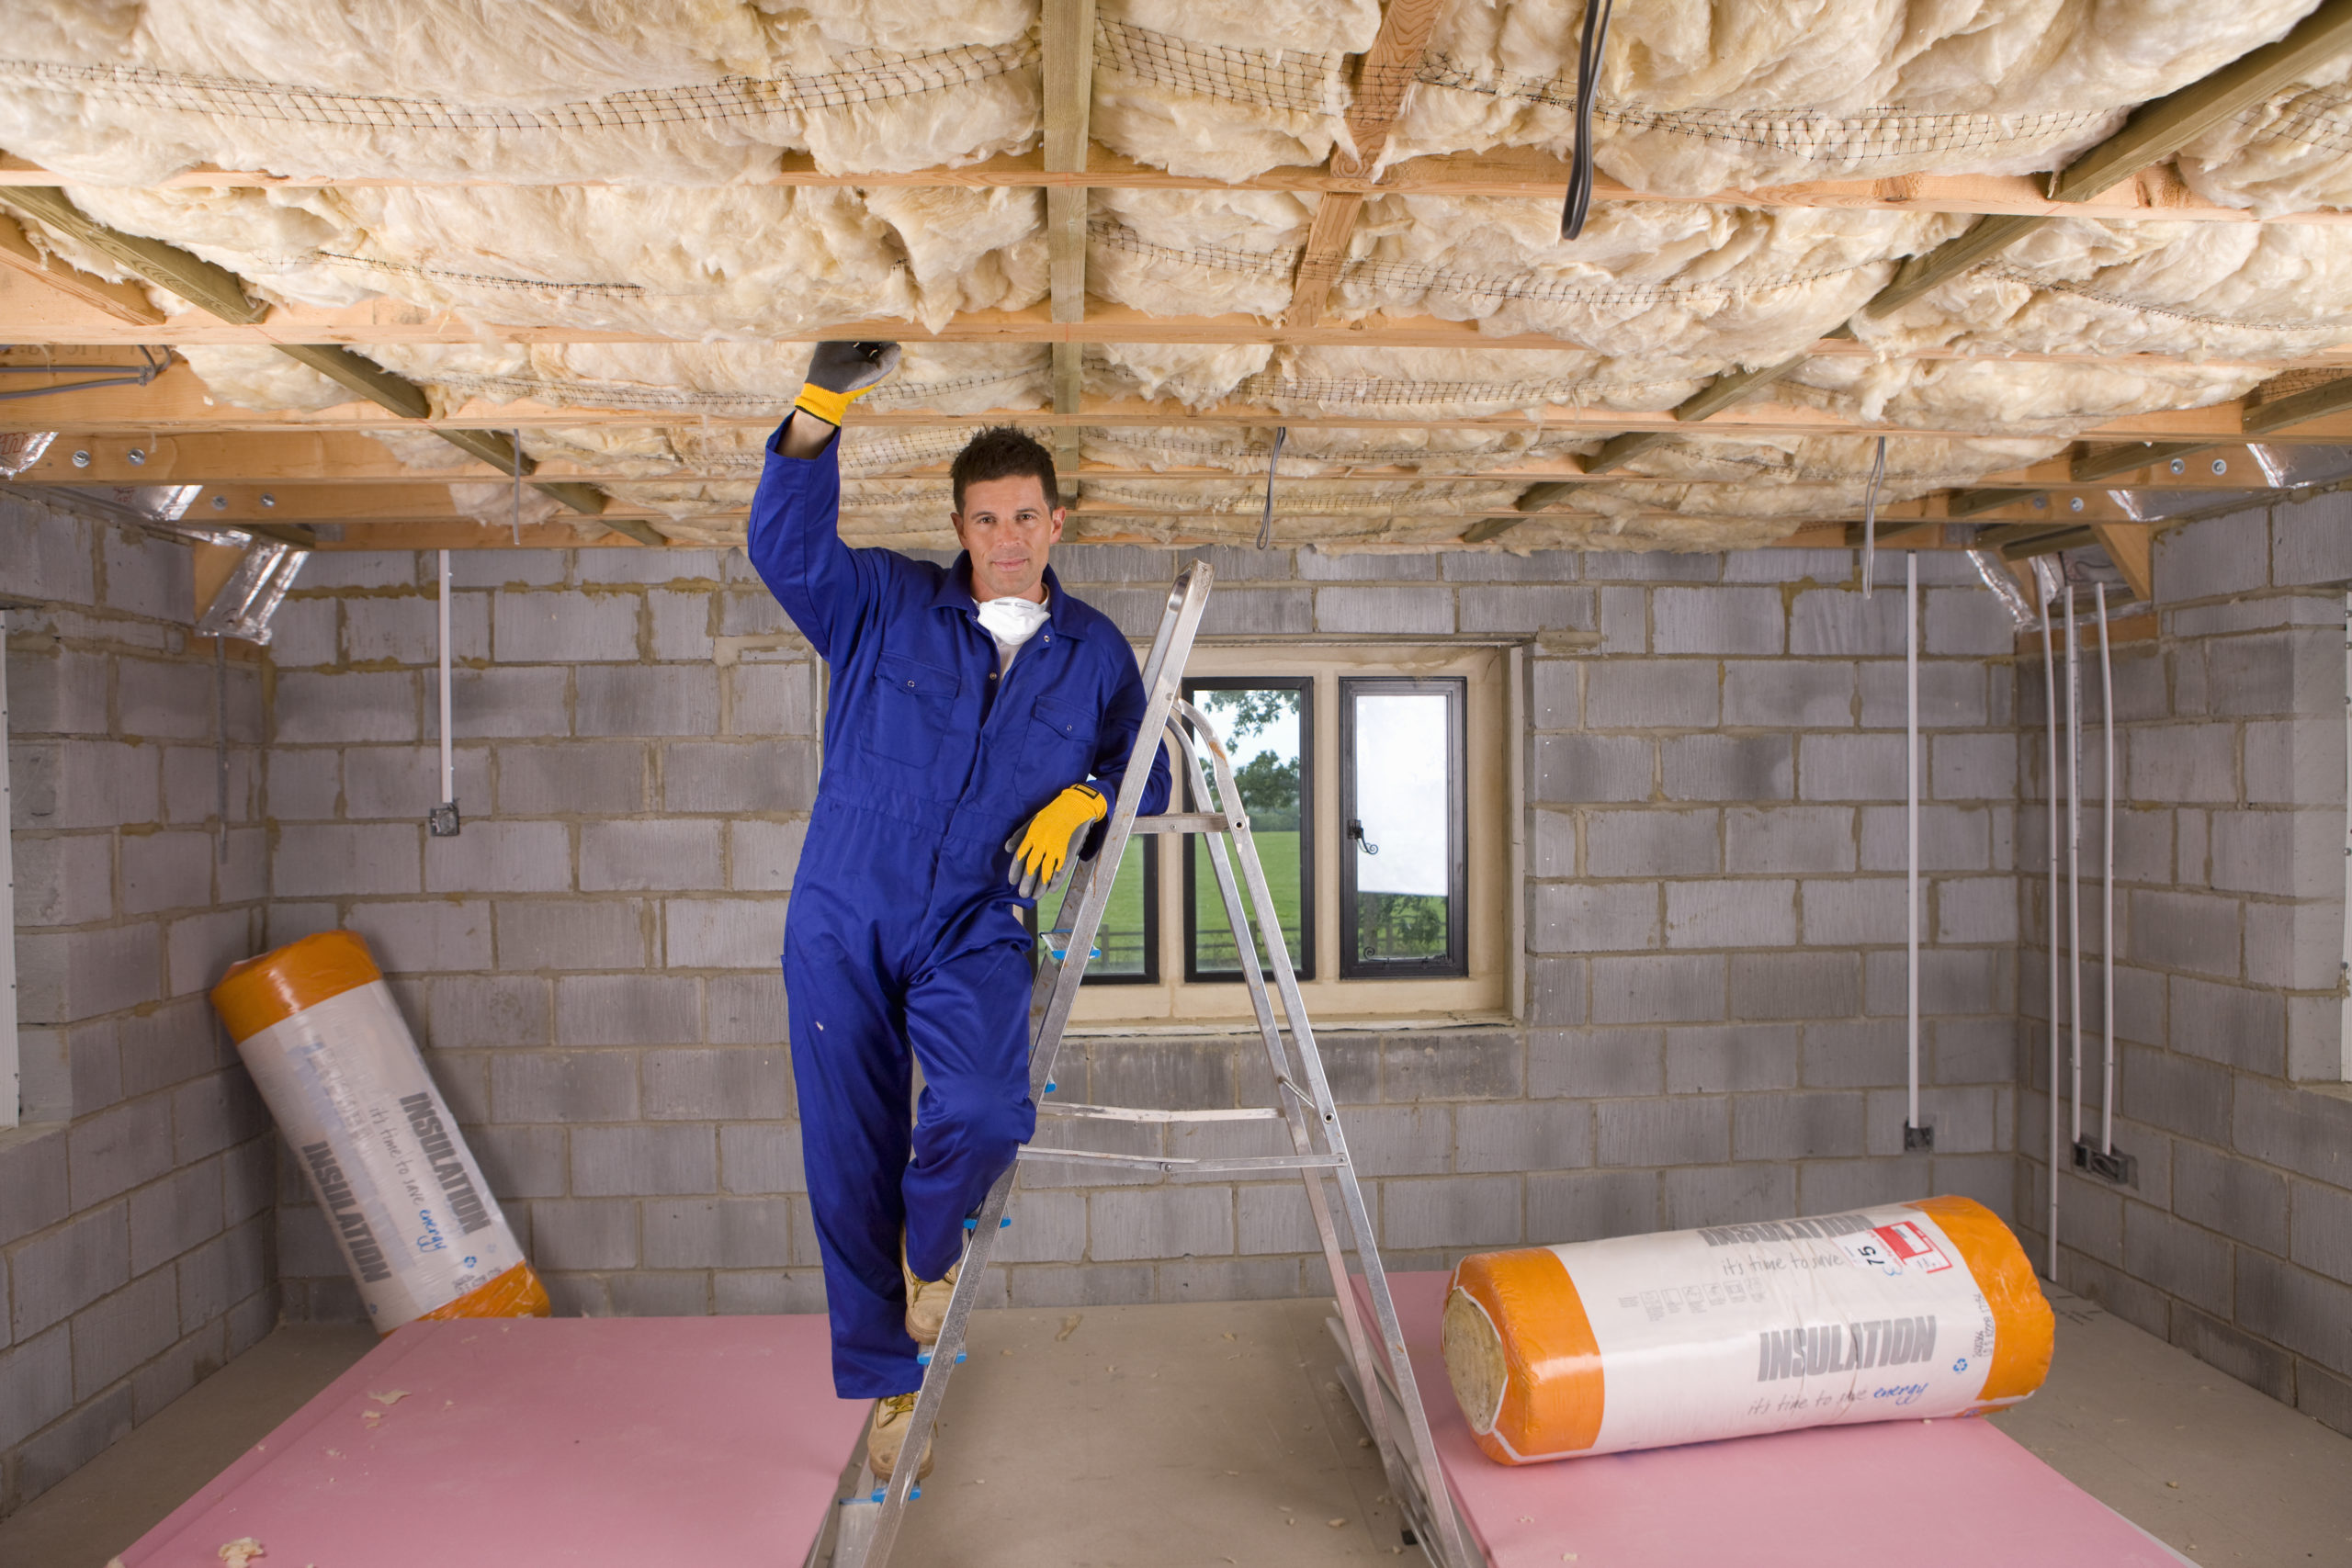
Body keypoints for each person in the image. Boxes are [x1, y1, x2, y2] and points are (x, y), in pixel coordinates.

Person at [745, 342, 1170, 1481]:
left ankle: (927, 1266)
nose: (1008, 539)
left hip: (977, 917)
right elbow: (782, 547)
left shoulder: (1092, 655)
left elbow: (1150, 773)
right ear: (961, 526)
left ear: (1057, 524)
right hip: (844, 907)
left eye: (1026, 517)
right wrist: (819, 408)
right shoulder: (881, 602)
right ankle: (891, 1398)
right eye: (986, 521)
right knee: (850, 1154)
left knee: (984, 1110)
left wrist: (1086, 792)